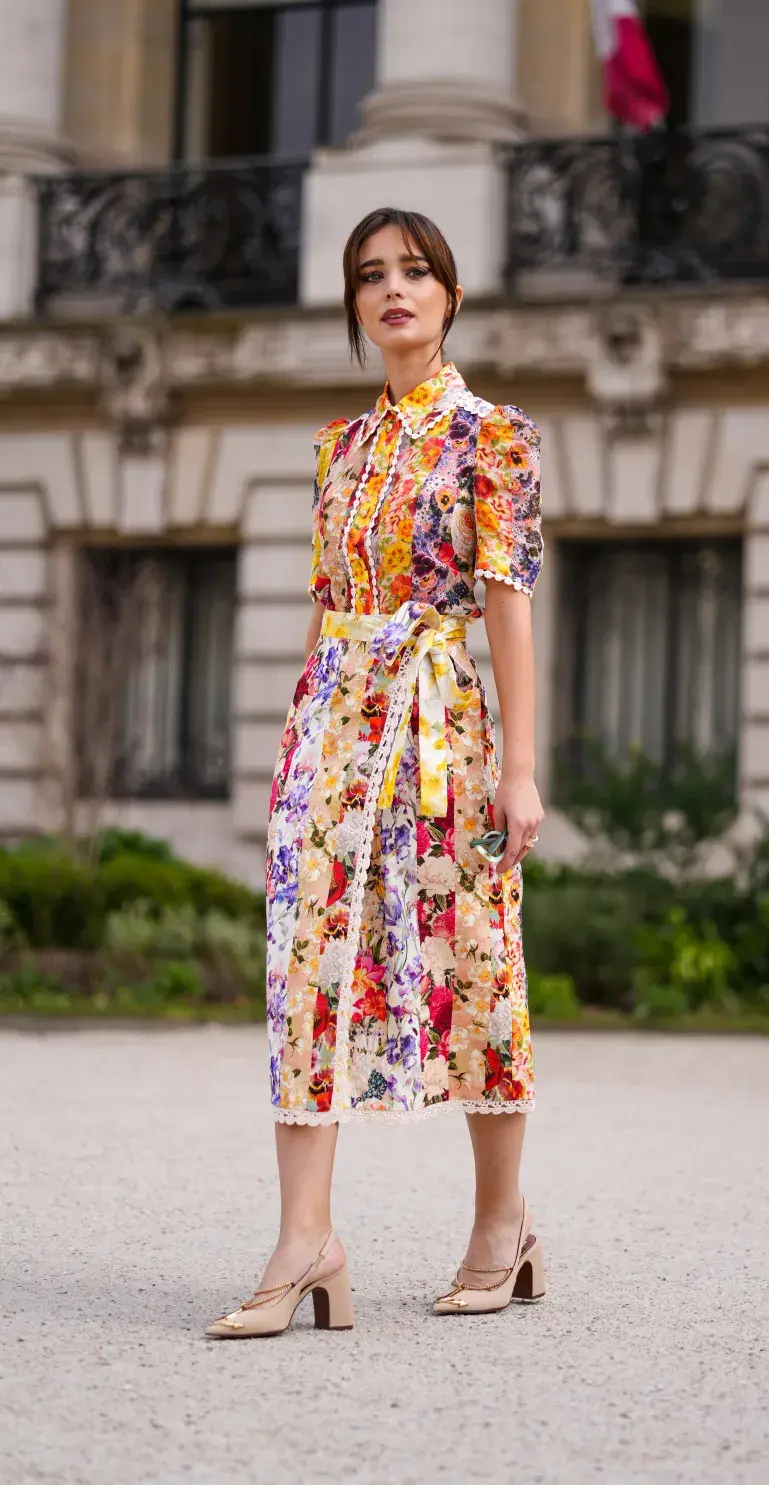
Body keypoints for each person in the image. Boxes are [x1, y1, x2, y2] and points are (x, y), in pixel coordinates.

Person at [207, 207, 546, 1337]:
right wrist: (300, 740)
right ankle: (307, 1243)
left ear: (450, 293)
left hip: (444, 725)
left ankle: (504, 1224)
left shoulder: (496, 438)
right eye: (369, 276)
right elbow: (323, 610)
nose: (392, 289)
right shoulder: (338, 449)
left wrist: (522, 772)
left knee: (477, 959)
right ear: (354, 307)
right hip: (334, 728)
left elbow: (508, 608)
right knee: (305, 967)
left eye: (413, 271)